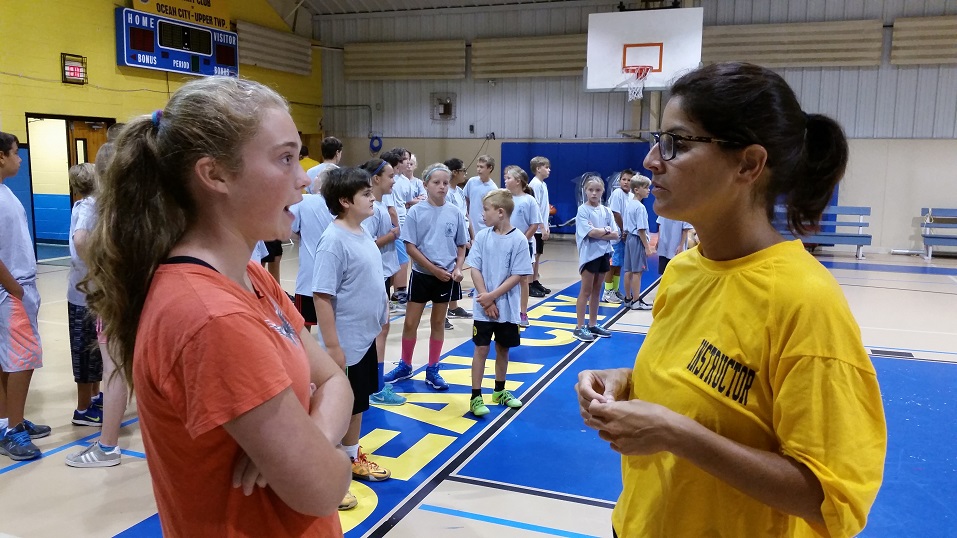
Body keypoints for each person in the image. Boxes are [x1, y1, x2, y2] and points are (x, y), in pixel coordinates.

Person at [576, 62, 886, 538]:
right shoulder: (683, 271)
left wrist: (677, 434)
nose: (651, 161)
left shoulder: (805, 302)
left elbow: (831, 501)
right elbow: (706, 390)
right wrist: (629, 384)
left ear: (748, 164)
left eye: (676, 143)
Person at [83, 77, 353, 535]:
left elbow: (334, 379)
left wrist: (314, 438)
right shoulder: (211, 317)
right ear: (216, 175)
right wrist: (329, 455)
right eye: (285, 158)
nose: (303, 177)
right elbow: (325, 490)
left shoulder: (251, 277)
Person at [313, 167, 393, 512]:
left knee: (359, 404)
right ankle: (324, 474)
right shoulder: (333, 241)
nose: (372, 198)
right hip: (343, 343)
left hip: (364, 339)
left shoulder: (362, 231)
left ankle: (349, 459)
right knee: (337, 409)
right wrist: (332, 346)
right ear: (345, 201)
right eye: (365, 195)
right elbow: (322, 295)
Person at [67, 142, 126, 468]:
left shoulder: (101, 207)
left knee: (114, 368)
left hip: (114, 296)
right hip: (133, 295)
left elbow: (80, 240)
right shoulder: (138, 204)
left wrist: (100, 270)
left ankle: (107, 446)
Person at [384, 164, 468, 391]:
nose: (442, 187)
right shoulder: (416, 212)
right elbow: (410, 246)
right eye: (436, 182)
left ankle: (433, 368)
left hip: (446, 277)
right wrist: (432, 268)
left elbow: (461, 245)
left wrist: (458, 268)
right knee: (410, 322)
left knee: (438, 322)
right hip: (423, 275)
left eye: (445, 183)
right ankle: (405, 364)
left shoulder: (455, 212)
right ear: (425, 185)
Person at [0, 131, 51, 461]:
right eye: (16, 153)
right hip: (11, 290)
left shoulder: (5, 191)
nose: (20, 159)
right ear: (1, 156)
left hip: (15, 288)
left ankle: (7, 421)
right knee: (23, 359)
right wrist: (14, 287)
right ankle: (13, 429)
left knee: (8, 360)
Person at [467, 189, 531, 417]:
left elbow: (518, 276)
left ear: (500, 212)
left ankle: (499, 390)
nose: (482, 214)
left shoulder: (519, 240)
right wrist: (485, 298)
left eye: (486, 209)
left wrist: (492, 296)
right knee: (481, 349)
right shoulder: (483, 237)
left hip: (507, 308)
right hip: (484, 308)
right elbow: (474, 267)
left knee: (503, 349)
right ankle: (476, 396)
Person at [358, 158, 406, 407]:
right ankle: (374, 385)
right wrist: (392, 235)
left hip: (383, 273)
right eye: (389, 176)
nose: (394, 179)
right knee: (378, 329)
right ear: (376, 179)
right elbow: (366, 245)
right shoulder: (372, 210)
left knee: (382, 328)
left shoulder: (381, 205)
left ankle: (374, 382)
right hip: (374, 275)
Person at [66, 163, 104, 427]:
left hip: (87, 292)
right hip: (84, 293)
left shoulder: (84, 205)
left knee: (94, 349)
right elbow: (81, 241)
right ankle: (83, 409)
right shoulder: (88, 207)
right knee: (85, 351)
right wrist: (98, 269)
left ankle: (94, 396)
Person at [573, 176, 619, 343]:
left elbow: (616, 233)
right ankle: (579, 327)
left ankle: (592, 324)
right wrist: (604, 232)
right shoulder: (583, 211)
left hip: (604, 254)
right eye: (590, 190)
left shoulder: (606, 211)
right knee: (585, 291)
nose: (594, 193)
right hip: (589, 256)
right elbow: (590, 233)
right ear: (585, 191)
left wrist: (602, 231)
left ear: (602, 191)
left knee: (597, 291)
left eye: (597, 190)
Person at [502, 165, 541, 328]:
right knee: (504, 278)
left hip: (523, 245)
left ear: (518, 181)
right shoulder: (504, 198)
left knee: (523, 280)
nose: (505, 180)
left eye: (508, 178)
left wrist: (522, 240)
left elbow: (534, 224)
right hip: (504, 244)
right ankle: (504, 311)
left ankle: (522, 312)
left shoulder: (529, 200)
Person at [443, 157, 474, 323]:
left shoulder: (460, 192)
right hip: (451, 239)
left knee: (456, 272)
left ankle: (453, 307)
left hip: (463, 237)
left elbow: (465, 215)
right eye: (463, 170)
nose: (465, 174)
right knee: (447, 274)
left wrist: (471, 236)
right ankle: (442, 314)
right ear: (454, 172)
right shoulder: (446, 193)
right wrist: (460, 239)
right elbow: (450, 219)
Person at [621, 175, 654, 310]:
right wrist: (647, 247)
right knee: (637, 272)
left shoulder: (630, 204)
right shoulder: (640, 207)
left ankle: (628, 298)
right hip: (636, 239)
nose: (648, 190)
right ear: (636, 190)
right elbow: (641, 229)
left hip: (629, 239)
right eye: (645, 187)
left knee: (628, 270)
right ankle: (636, 301)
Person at [602, 169, 635, 304]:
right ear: (620, 180)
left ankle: (615, 289)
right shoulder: (617, 193)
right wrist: (623, 230)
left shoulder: (631, 196)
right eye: (624, 179)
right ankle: (607, 292)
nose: (626, 182)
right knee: (612, 264)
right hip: (616, 235)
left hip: (624, 236)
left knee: (619, 264)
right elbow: (616, 214)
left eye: (629, 180)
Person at [388, 148, 416, 306]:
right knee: (401, 261)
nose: (408, 163)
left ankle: (397, 293)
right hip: (395, 225)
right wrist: (397, 226)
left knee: (399, 259)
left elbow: (406, 202)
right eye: (405, 159)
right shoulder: (391, 181)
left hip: (402, 222)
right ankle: (399, 295)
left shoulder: (406, 181)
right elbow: (392, 207)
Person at [528, 156, 551, 297]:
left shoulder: (543, 184)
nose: (549, 170)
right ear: (538, 169)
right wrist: (541, 226)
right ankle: (529, 283)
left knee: (538, 255)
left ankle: (535, 280)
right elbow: (536, 208)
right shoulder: (535, 184)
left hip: (541, 225)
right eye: (546, 167)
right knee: (533, 255)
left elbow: (544, 208)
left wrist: (546, 224)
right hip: (536, 227)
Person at [463, 155, 498, 239]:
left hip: (484, 227)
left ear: (490, 168)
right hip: (471, 225)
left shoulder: (493, 189)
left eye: (481, 167)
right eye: (477, 166)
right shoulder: (472, 181)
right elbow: (465, 199)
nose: (478, 169)